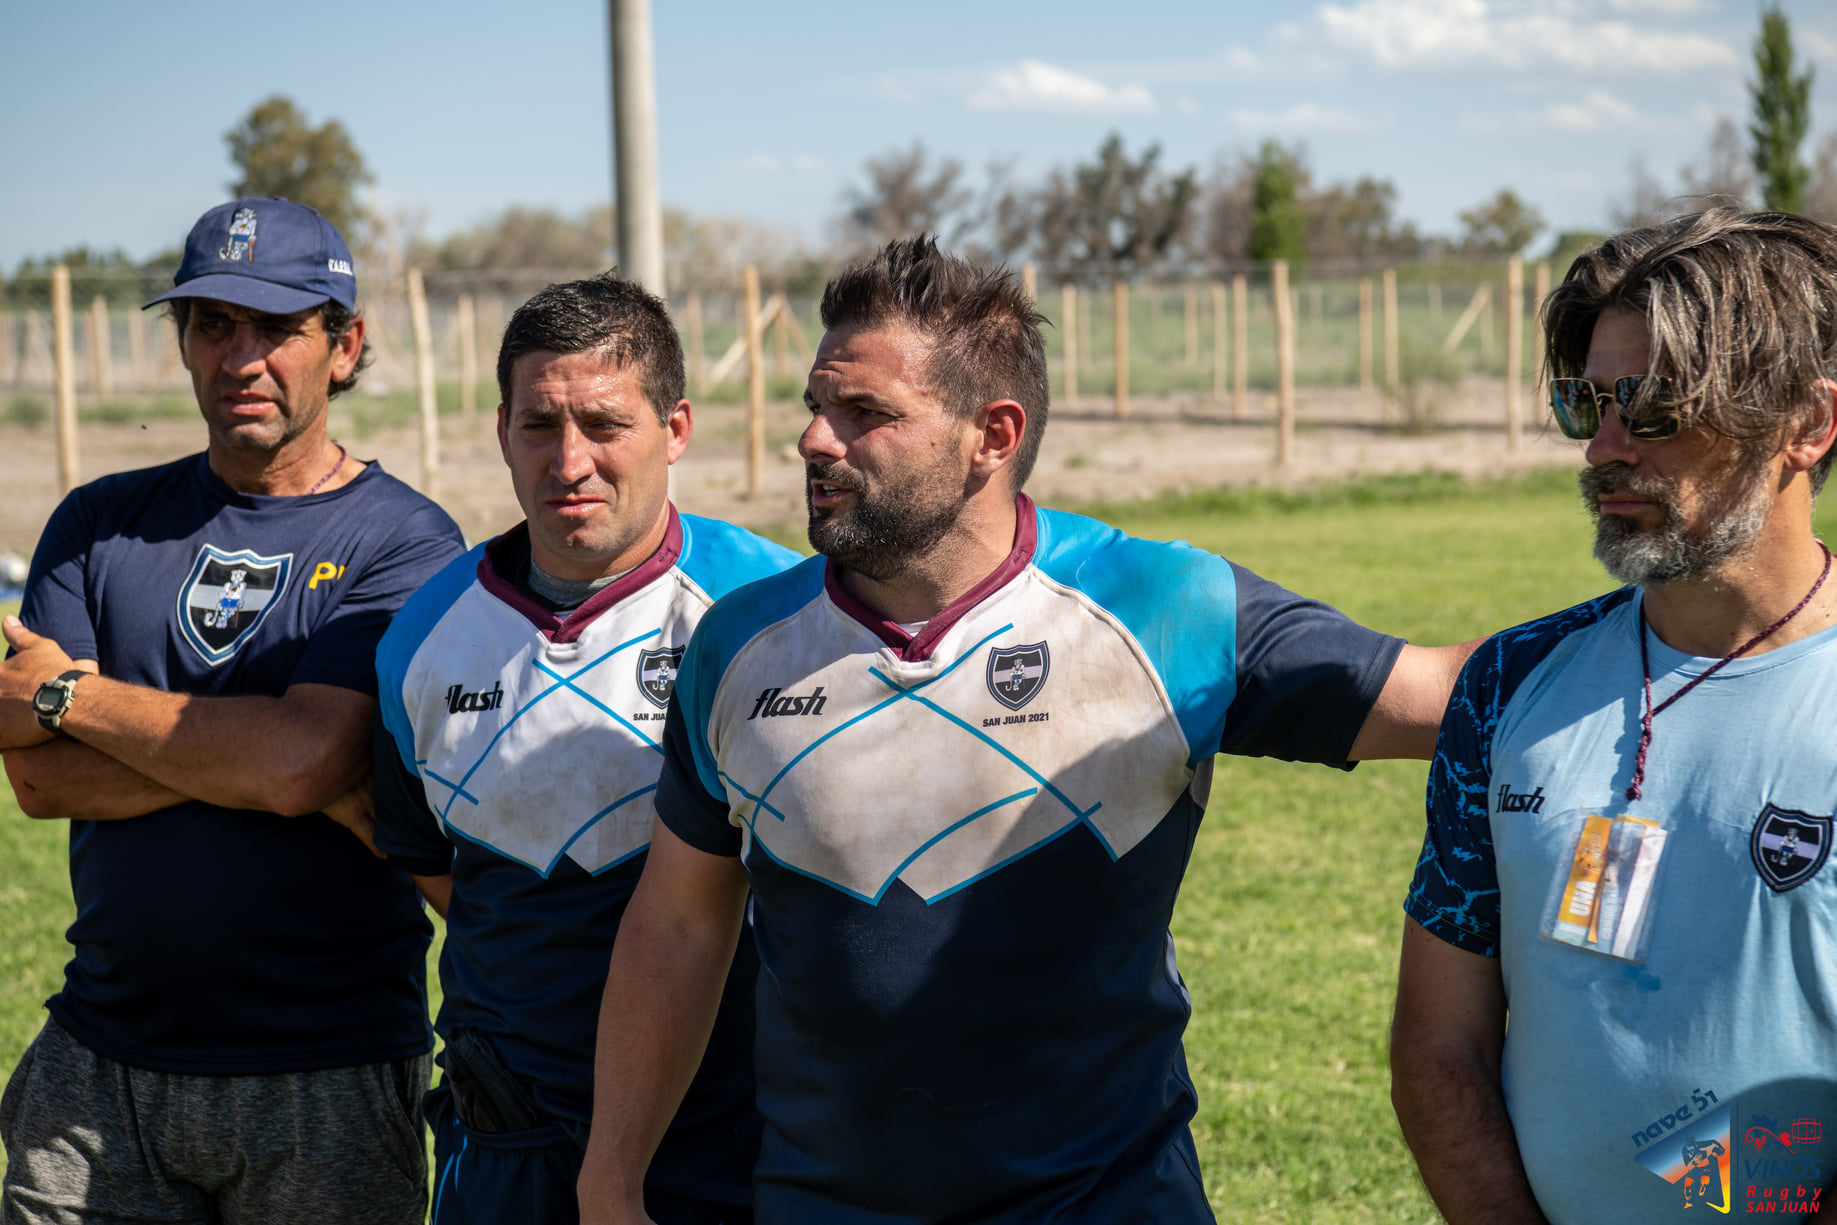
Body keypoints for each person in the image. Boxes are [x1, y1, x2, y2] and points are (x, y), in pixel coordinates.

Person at [575, 236, 1476, 1225]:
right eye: (815, 406)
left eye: (864, 413)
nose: (815, 442)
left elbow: (1437, 696)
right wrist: (610, 1179)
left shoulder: (1155, 607)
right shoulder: (738, 646)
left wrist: (1646, 620)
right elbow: (677, 923)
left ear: (991, 434)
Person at [0, 197, 466, 1225]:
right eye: (213, 324)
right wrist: (265, 763)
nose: (240, 356)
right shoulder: (97, 523)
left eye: (277, 328)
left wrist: (71, 695)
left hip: (327, 1070)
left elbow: (302, 760)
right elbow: (36, 776)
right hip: (98, 1064)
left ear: (343, 348)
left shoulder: (408, 543)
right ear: (183, 344)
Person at [1390, 209, 1837, 1224]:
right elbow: (1439, 1040)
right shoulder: (1509, 682)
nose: (1602, 446)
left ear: (1807, 425)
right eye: (1584, 400)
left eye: (1655, 404)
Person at [372, 273, 797, 1225]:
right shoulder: (422, 637)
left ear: (676, 428)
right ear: (500, 432)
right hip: (508, 1140)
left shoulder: (779, 612)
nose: (569, 460)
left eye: (605, 424)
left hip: (741, 1137)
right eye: (539, 425)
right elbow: (434, 868)